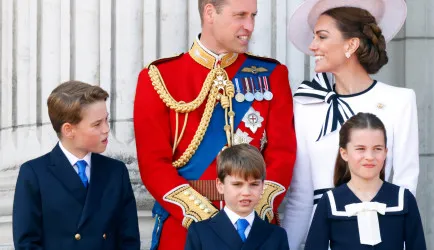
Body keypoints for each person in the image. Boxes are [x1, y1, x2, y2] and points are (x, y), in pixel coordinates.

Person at [134, 0, 296, 249]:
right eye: (240, 15)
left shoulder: (270, 74)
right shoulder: (159, 78)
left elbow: (282, 154)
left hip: (254, 228)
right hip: (186, 227)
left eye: (253, 16)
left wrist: (253, 208)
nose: (250, 26)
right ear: (210, 12)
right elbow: (153, 164)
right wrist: (205, 219)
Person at [283, 0, 419, 249]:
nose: (313, 46)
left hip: (380, 235)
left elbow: (405, 187)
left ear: (351, 44)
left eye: (322, 37)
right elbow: (300, 198)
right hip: (322, 237)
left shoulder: (400, 101)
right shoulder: (305, 105)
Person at [13, 81, 140, 250]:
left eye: (106, 120)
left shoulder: (116, 172)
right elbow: (26, 244)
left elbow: (129, 240)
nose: (106, 129)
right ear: (68, 130)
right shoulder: (34, 174)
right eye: (97, 124)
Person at [304, 112, 426, 250]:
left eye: (377, 149)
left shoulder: (403, 199)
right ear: (344, 153)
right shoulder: (330, 201)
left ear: (386, 152)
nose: (369, 156)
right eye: (360, 149)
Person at [184, 144, 289, 250]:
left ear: (262, 186)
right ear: (220, 185)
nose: (246, 192)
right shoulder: (200, 233)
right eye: (237, 184)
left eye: (254, 184)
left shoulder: (277, 235)